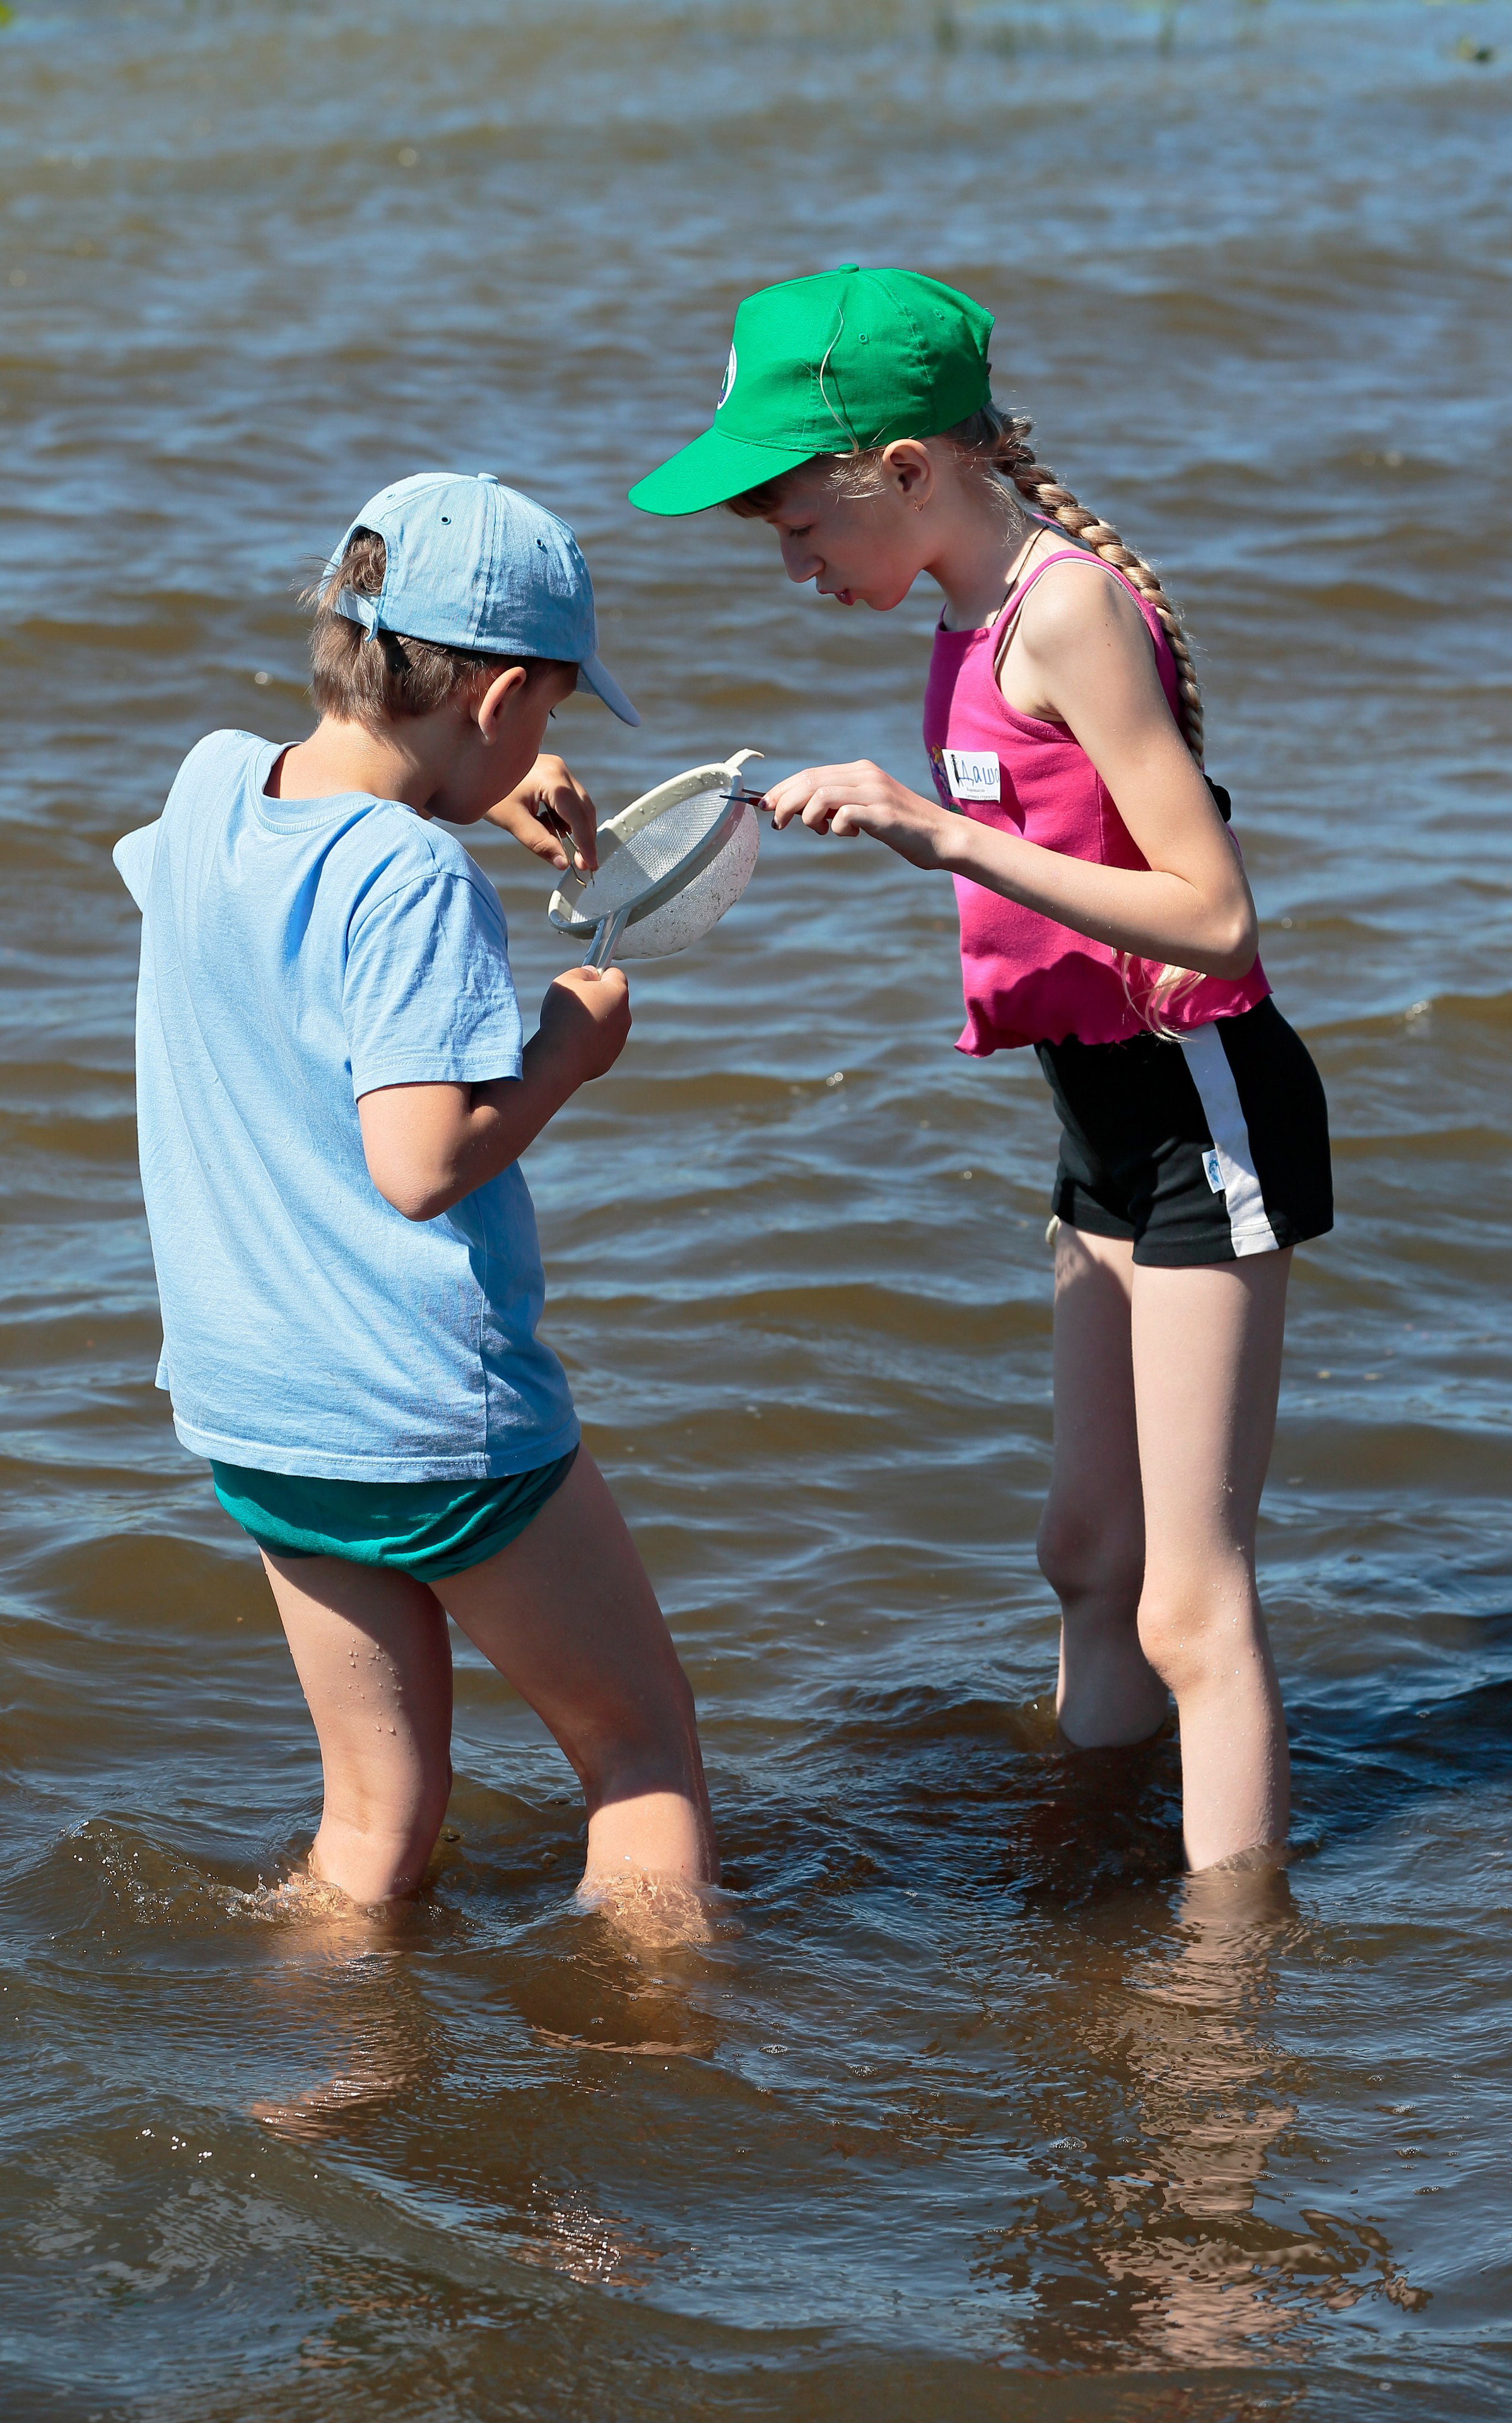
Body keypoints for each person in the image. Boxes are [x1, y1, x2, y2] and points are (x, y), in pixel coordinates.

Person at [631, 269, 1332, 1873]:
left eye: (799, 527)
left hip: (1200, 1102)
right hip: (1099, 1113)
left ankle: (1222, 2007)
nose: (794, 565)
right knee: (1083, 1551)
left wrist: (940, 831)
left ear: (903, 469)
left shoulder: (1063, 609)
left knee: (1189, 1598)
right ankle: (1088, 1858)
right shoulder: (958, 611)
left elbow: (1213, 917)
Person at [114, 471, 717, 1914]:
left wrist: (466, 786)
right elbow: (419, 1166)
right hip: (427, 1414)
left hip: (258, 1407)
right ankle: (666, 2092)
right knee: (640, 1763)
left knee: (376, 1818)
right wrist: (562, 1055)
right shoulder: (415, 882)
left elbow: (278, 894)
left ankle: (309, 2103)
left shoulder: (206, 786)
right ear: (502, 694)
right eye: (549, 713)